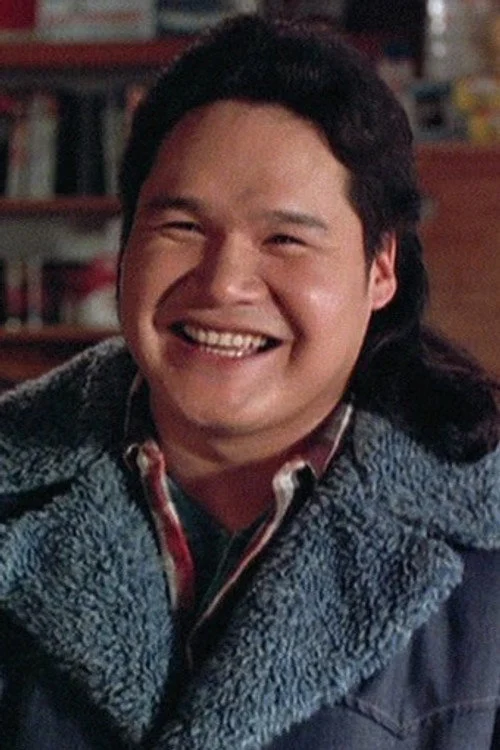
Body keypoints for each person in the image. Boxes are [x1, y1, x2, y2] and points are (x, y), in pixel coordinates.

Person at [0, 13, 498, 750]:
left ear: (380, 269)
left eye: (285, 239)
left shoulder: (484, 553)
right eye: (182, 227)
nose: (223, 283)